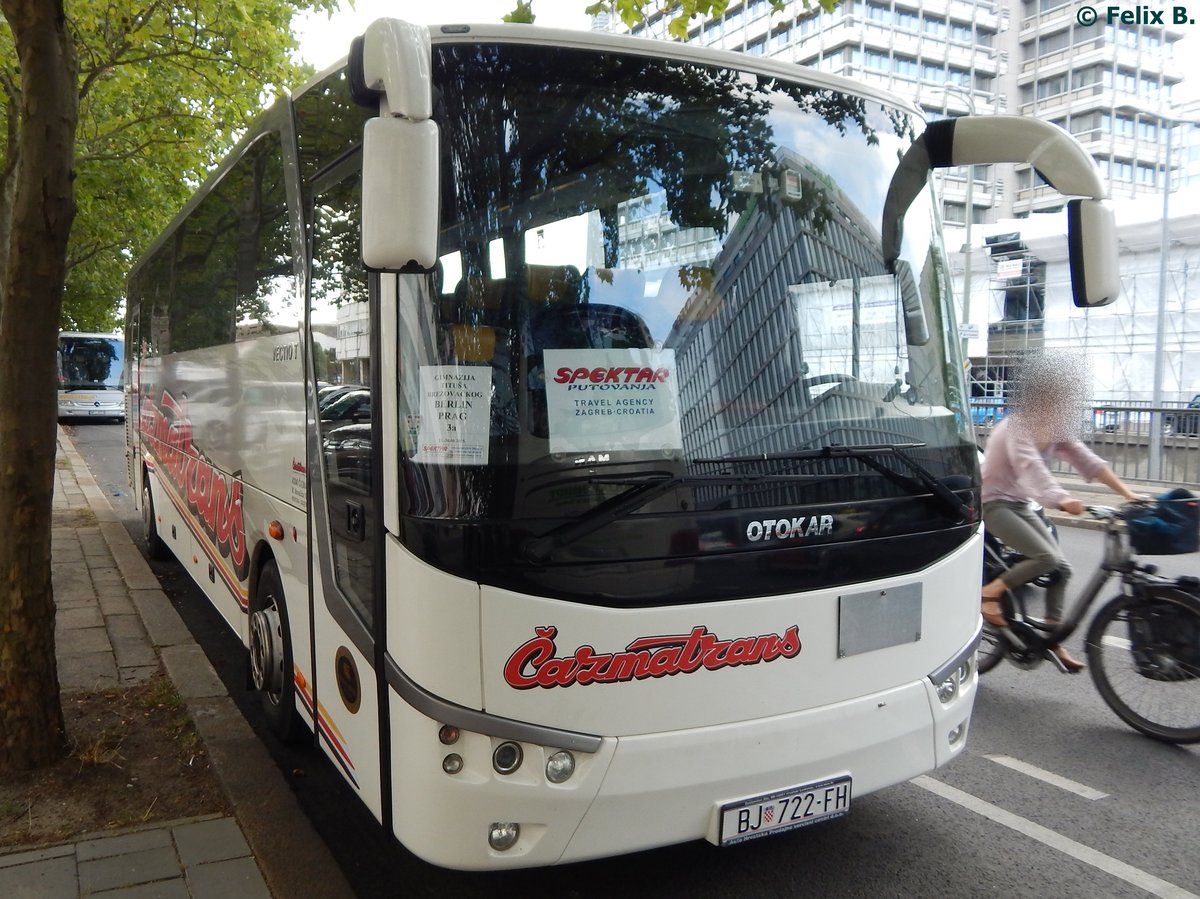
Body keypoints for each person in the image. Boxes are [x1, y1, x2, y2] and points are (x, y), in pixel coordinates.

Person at [980, 353, 1142, 673]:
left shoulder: (1055, 428)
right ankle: (989, 595)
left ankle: (1051, 640)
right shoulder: (1018, 426)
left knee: (1062, 570)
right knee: (1046, 558)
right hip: (992, 502)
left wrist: (1129, 494)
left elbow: (1088, 461)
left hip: (1020, 503)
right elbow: (1030, 467)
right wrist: (1061, 498)